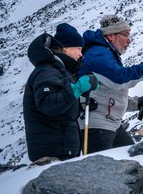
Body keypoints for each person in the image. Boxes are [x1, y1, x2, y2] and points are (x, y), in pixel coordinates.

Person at [78, 14, 143, 153]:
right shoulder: (97, 53)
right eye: (125, 35)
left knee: (130, 162)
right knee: (102, 172)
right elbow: (119, 81)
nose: (129, 40)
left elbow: (109, 92)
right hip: (96, 125)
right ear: (111, 35)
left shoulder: (106, 53)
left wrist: (135, 103)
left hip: (111, 124)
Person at [23, 23, 99, 162]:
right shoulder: (46, 71)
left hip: (60, 147)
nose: (81, 54)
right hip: (52, 151)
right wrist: (78, 88)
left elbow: (61, 106)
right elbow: (49, 105)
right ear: (65, 48)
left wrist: (80, 106)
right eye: (79, 49)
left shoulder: (59, 71)